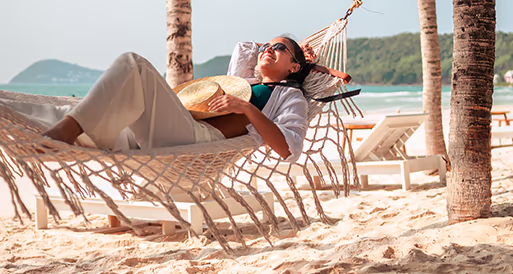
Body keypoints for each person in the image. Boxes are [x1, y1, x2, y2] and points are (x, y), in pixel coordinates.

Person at [35, 37, 313, 162]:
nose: (267, 49)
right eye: (267, 45)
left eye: (279, 48)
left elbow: (289, 149)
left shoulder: (291, 96)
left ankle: (66, 130)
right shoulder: (245, 82)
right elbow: (244, 48)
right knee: (58, 111)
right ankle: (48, 128)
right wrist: (287, 52)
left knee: (134, 64)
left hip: (197, 138)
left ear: (294, 66)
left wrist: (247, 110)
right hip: (168, 127)